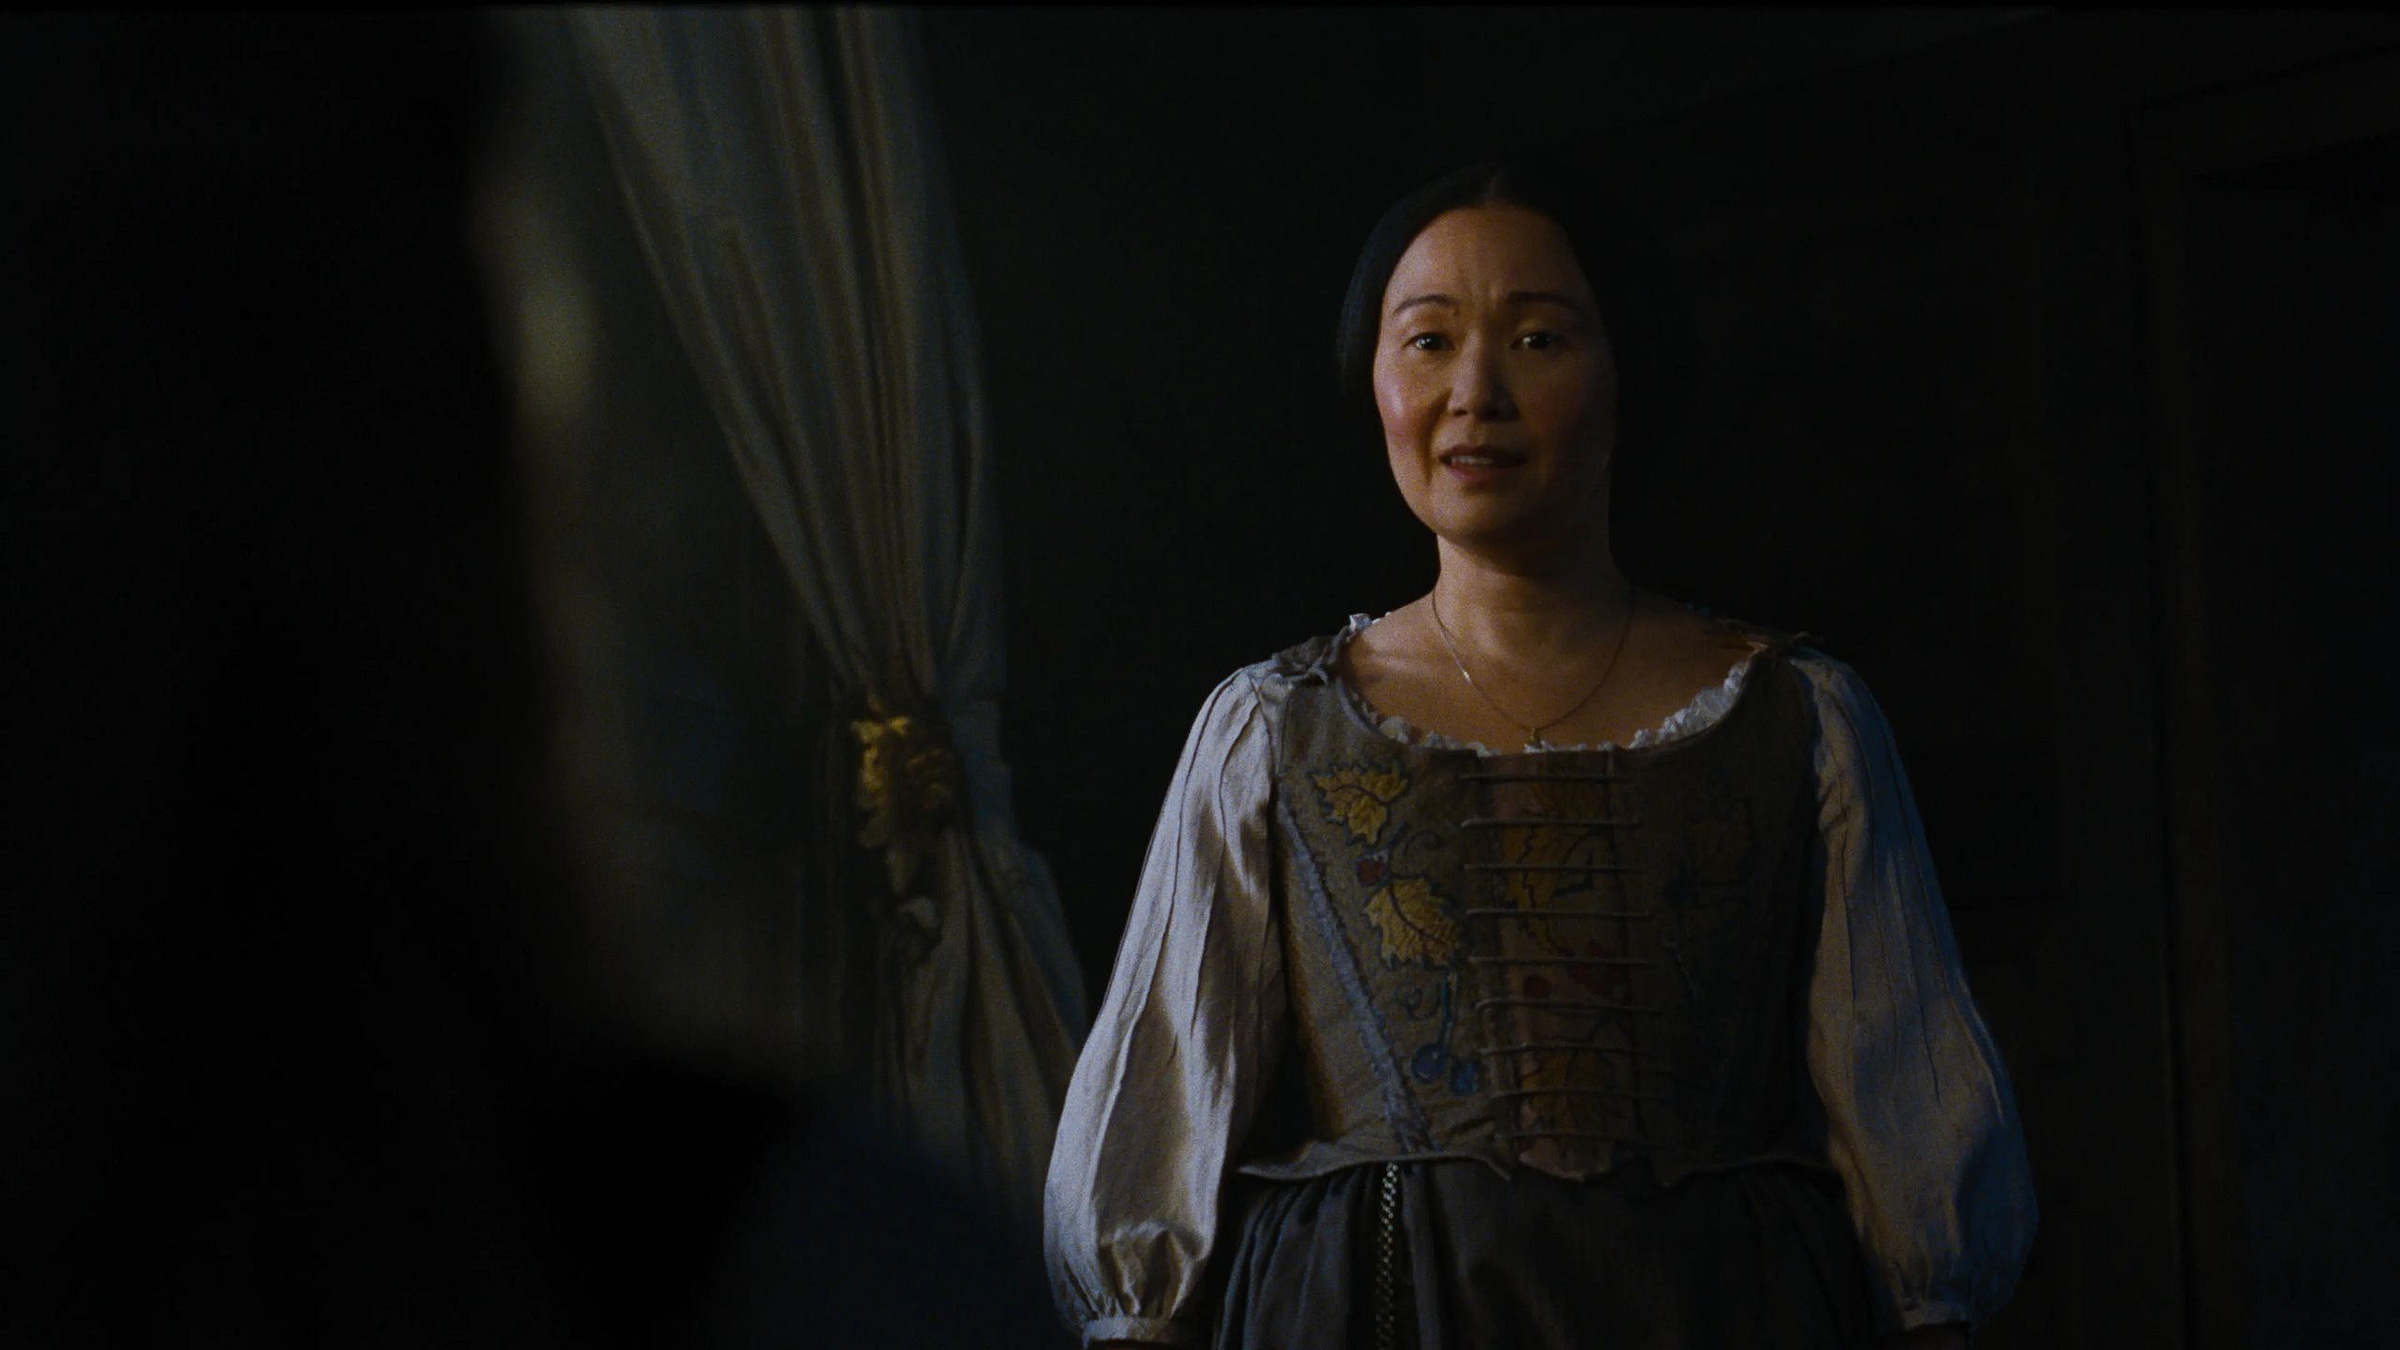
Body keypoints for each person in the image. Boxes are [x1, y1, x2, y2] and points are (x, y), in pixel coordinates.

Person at [1041, 159, 2037, 1350]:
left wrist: (1934, 1306)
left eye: (1537, 340)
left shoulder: (1798, 715)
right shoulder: (1271, 728)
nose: (1476, 394)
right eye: (1428, 341)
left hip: (1719, 1310)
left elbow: (1910, 1110)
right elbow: (1153, 1123)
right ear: (1374, 382)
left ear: (1625, 371)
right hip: (1381, 1311)